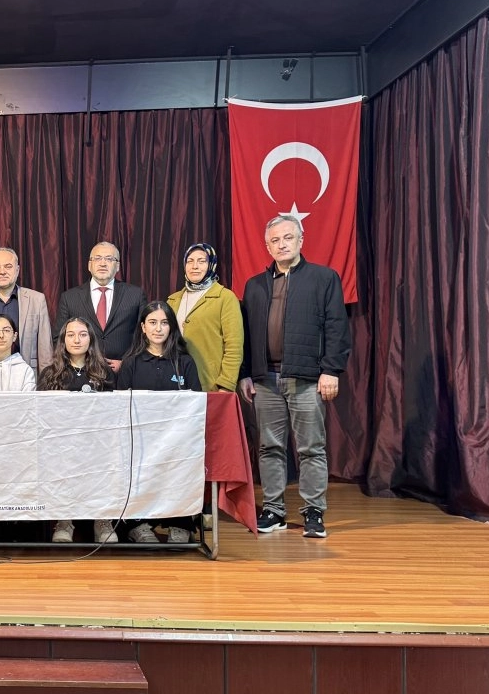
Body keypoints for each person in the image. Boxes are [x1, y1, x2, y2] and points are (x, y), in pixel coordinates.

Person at [238, 214, 350, 539]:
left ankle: (313, 512)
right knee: (269, 448)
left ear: (301, 240)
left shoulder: (323, 278)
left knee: (311, 448)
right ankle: (274, 510)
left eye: (288, 237)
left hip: (308, 379)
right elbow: (246, 334)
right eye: (275, 240)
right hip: (265, 381)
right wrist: (246, 374)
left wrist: (331, 370)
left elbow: (337, 326)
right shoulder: (255, 285)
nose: (282, 244)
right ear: (267, 246)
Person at [115, 300, 202, 544]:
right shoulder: (131, 362)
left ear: (171, 327)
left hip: (177, 443)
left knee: (181, 472)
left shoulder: (185, 362)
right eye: (152, 322)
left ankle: (181, 523)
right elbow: (120, 406)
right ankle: (138, 525)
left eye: (164, 323)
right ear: (143, 327)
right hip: (140, 443)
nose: (158, 328)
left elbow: (196, 405)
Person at [38, 317, 117, 544]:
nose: (76, 340)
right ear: (63, 340)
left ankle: (102, 520)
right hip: (61, 444)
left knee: (107, 463)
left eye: (82, 335)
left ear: (90, 339)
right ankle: (64, 520)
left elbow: (114, 412)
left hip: (98, 444)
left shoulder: (104, 373)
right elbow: (42, 414)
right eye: (70, 335)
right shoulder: (50, 374)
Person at [53, 241, 146, 372]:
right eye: (97, 258)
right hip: (82, 373)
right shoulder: (70, 297)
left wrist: (126, 364)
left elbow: (145, 336)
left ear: (117, 266)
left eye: (109, 259)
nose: (103, 263)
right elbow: (59, 338)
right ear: (89, 265)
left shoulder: (135, 295)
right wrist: (78, 365)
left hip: (124, 374)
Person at [168, 242, 244, 393]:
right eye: (190, 261)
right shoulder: (172, 300)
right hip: (175, 383)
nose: (195, 266)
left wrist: (226, 384)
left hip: (210, 385)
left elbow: (234, 346)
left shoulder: (225, 297)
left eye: (201, 261)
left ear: (211, 265)